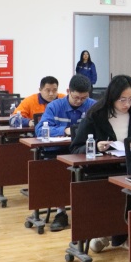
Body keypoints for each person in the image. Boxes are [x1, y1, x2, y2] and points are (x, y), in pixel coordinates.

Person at [71, 75, 131, 253]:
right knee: (109, 195)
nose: (127, 104)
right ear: (112, 96)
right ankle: (104, 232)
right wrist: (95, 146)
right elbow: (76, 147)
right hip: (104, 169)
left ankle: (122, 234)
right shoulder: (95, 115)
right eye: (122, 99)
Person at [39, 74, 96, 231]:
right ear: (68, 91)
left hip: (83, 151)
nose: (79, 101)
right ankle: (61, 212)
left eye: (83, 98)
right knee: (58, 171)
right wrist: (64, 130)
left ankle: (89, 211)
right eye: (76, 97)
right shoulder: (55, 106)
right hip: (58, 152)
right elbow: (40, 129)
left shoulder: (92, 106)